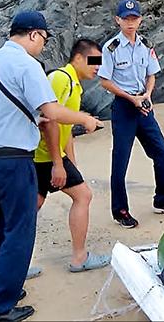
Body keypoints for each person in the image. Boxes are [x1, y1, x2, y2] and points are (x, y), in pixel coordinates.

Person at [0, 10, 102, 322]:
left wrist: (34, 119)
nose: (43, 45)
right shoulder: (26, 65)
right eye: (43, 39)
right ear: (32, 35)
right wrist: (85, 119)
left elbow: (1, 112)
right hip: (12, 161)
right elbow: (52, 111)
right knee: (19, 232)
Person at [98, 0, 164, 229]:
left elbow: (152, 73)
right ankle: (121, 211)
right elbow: (104, 81)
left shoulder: (146, 45)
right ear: (117, 20)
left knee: (162, 153)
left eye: (134, 18)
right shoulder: (110, 48)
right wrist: (131, 98)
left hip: (144, 105)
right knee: (120, 161)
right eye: (125, 19)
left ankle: (163, 198)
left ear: (140, 19)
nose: (130, 23)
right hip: (124, 107)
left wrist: (147, 94)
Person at [32, 38, 110, 273]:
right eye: (94, 61)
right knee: (83, 196)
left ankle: (16, 263)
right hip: (44, 156)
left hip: (47, 155)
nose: (98, 67)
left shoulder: (73, 84)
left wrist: (71, 163)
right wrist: (58, 163)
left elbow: (66, 129)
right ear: (78, 58)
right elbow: (49, 121)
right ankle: (79, 257)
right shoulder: (61, 79)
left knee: (30, 207)